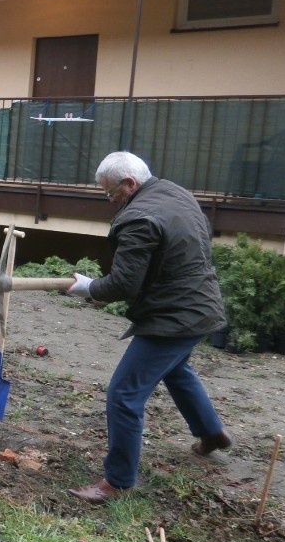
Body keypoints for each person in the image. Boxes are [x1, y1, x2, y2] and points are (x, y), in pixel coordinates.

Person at [66, 151, 232, 504]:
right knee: (177, 371)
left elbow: (124, 283)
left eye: (111, 194)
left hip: (173, 317)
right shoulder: (176, 193)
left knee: (124, 395)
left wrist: (89, 287)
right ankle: (212, 433)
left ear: (130, 184)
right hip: (201, 306)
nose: (111, 202)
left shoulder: (139, 218)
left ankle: (119, 481)